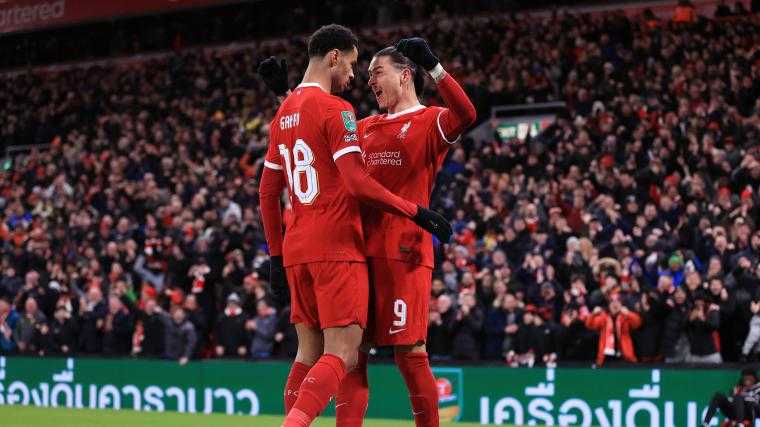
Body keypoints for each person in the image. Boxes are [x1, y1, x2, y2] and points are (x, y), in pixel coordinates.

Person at [260, 35, 475, 426]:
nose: (368, 80)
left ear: (406, 75)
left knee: (409, 353)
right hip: (355, 249)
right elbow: (314, 134)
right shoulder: (363, 126)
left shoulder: (429, 121)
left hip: (403, 253)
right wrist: (286, 97)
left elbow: (466, 114)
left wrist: (435, 65)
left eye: (377, 72)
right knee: (350, 356)